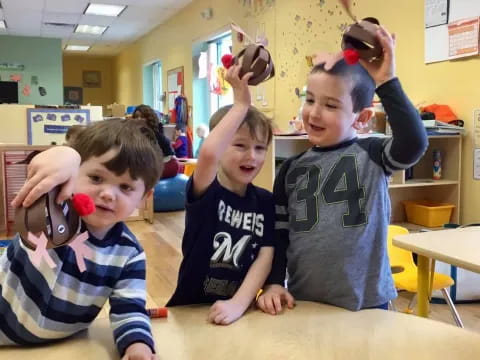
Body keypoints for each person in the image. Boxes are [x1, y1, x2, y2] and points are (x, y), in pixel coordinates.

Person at [256, 26, 428, 314]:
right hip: (306, 301)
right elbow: (280, 234)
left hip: (368, 304)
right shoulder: (290, 170)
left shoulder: (373, 154)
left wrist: (386, 81)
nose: (313, 112)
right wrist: (274, 282)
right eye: (309, 99)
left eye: (331, 105)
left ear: (361, 119)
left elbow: (413, 143)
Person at [1, 119, 163, 359]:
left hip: (60, 346)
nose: (108, 194)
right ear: (72, 175)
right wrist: (66, 156)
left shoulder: (129, 253)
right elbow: (42, 169)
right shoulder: (56, 211)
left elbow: (129, 308)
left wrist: (137, 345)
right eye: (96, 178)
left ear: (144, 198)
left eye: (126, 187)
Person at [166, 64, 275, 325]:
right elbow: (208, 155)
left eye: (260, 148)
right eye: (239, 145)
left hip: (238, 309)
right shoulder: (206, 192)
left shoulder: (265, 201)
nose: (252, 156)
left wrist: (239, 303)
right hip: (189, 308)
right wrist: (240, 105)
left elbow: (265, 255)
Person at [132, 104, 180, 178]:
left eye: (142, 117)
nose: (139, 119)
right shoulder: (135, 134)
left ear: (148, 119)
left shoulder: (154, 133)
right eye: (136, 117)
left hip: (168, 164)